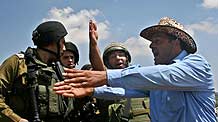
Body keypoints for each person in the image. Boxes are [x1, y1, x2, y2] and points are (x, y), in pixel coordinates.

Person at [54, 17, 217, 122]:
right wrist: (92, 91)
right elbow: (125, 90)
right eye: (151, 42)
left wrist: (106, 76)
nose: (151, 45)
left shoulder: (197, 66)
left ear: (176, 42)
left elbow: (162, 76)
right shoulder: (155, 81)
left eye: (157, 41)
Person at [0, 21, 68, 122]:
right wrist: (16, 120)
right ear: (52, 42)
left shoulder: (59, 70)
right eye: (62, 42)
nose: (64, 48)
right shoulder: (17, 63)